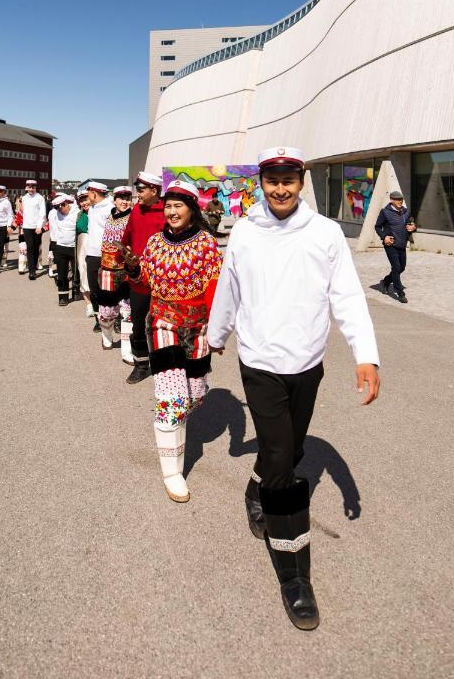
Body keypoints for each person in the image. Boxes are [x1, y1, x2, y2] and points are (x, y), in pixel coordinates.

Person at [206, 146, 380, 631]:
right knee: (284, 463)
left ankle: (256, 486)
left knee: (293, 447)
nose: (280, 188)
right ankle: (295, 576)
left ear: (301, 181)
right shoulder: (244, 231)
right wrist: (217, 335)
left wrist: (366, 353)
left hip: (307, 364)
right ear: (260, 182)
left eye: (289, 178)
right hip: (259, 363)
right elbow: (229, 289)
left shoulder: (324, 234)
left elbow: (346, 295)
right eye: (272, 179)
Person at [124, 179, 221, 503]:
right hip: (163, 321)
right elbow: (143, 286)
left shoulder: (207, 243)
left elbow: (214, 287)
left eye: (178, 205)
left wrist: (217, 329)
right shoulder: (153, 243)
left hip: (198, 328)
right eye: (168, 205)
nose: (171, 211)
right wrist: (135, 270)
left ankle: (179, 419)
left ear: (192, 210)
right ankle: (172, 472)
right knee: (171, 400)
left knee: (193, 396)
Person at [121, 171, 165, 384]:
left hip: (162, 281)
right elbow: (127, 237)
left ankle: (163, 364)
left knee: (162, 324)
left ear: (154, 191)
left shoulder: (167, 212)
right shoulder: (136, 210)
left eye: (141, 190)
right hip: (138, 280)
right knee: (138, 323)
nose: (137, 195)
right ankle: (141, 364)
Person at [97, 185, 133, 358]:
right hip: (106, 270)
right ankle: (107, 336)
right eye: (121, 198)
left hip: (126, 270)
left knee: (127, 311)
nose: (125, 202)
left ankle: (127, 349)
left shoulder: (134, 217)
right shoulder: (109, 215)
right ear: (114, 199)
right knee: (106, 312)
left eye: (128, 198)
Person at [375, 190, 417, 304]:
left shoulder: (405, 211)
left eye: (401, 199)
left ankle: (385, 282)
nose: (400, 201)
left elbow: (410, 223)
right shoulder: (385, 212)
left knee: (401, 267)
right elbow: (378, 227)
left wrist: (413, 227)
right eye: (397, 199)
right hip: (391, 244)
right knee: (396, 267)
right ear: (391, 200)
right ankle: (400, 292)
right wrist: (384, 237)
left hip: (402, 243)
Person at [85, 182, 113, 331]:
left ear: (94, 193)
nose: (87, 195)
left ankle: (113, 318)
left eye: (88, 192)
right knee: (94, 289)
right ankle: (99, 319)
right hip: (92, 255)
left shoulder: (110, 209)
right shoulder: (92, 208)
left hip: (105, 256)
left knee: (108, 290)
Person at [48, 193, 79, 306]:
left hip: (74, 247)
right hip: (60, 247)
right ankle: (63, 297)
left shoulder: (77, 213)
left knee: (76, 273)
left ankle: (76, 290)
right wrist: (53, 246)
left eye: (60, 207)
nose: (59, 210)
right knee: (62, 275)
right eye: (56, 207)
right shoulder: (55, 213)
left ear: (65, 204)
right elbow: (53, 229)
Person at [21, 179, 46, 281]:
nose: (31, 189)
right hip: (27, 227)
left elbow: (42, 213)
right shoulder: (24, 198)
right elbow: (23, 213)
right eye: (29, 187)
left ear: (35, 187)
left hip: (37, 228)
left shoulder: (40, 198)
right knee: (30, 248)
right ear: (27, 187)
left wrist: (39, 226)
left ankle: (34, 265)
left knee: (36, 248)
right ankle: (32, 271)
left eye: (33, 187)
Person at [75, 188, 91, 311]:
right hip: (81, 246)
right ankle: (88, 303)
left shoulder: (98, 213)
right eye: (82, 201)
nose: (84, 203)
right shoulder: (78, 215)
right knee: (83, 271)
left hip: (95, 246)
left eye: (86, 199)